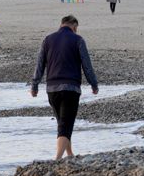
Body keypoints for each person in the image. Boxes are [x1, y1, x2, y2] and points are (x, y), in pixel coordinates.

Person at [30, 15, 99, 161]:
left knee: (62, 122)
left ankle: (69, 154)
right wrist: (93, 84)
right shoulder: (78, 40)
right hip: (71, 88)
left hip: (52, 88)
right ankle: (57, 159)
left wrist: (34, 85)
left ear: (61, 24)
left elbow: (40, 64)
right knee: (65, 124)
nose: (76, 30)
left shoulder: (47, 40)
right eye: (76, 28)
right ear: (73, 25)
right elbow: (87, 65)